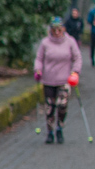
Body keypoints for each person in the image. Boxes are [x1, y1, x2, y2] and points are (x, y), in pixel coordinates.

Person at [35, 16, 82, 144]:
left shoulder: (70, 41)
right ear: (50, 30)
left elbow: (77, 58)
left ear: (63, 29)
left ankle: (60, 128)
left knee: (62, 106)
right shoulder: (45, 43)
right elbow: (39, 58)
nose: (56, 32)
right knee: (50, 108)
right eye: (54, 29)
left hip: (64, 80)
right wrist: (38, 70)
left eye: (59, 29)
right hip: (48, 80)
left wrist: (75, 72)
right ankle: (50, 132)